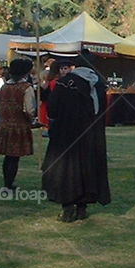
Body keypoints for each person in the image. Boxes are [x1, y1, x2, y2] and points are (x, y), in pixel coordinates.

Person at [42, 55, 110, 222]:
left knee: (67, 171)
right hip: (91, 135)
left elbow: (53, 109)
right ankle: (82, 208)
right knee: (87, 169)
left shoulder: (65, 83)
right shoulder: (100, 85)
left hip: (67, 134)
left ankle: (67, 209)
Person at [0, 59, 37, 193]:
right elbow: (29, 109)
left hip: (4, 124)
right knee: (14, 157)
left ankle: (7, 183)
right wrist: (32, 121)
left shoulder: (4, 87)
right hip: (18, 125)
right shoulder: (26, 88)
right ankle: (8, 184)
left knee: (8, 157)